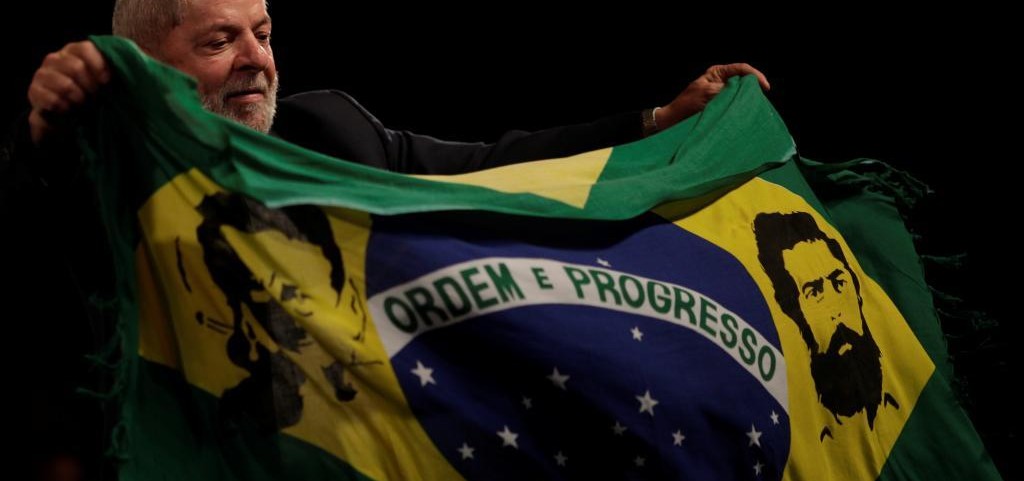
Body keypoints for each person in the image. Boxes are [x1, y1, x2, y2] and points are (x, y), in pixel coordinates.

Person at [25, 0, 771, 175]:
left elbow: (494, 164)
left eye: (265, 33)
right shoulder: (104, 165)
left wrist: (658, 119)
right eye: (221, 42)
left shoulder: (331, 127)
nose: (258, 60)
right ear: (144, 62)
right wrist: (49, 129)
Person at [753, 211, 899, 442]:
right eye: (814, 293)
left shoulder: (902, 383)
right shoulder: (803, 434)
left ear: (857, 291)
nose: (836, 311)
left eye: (839, 283)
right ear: (794, 313)